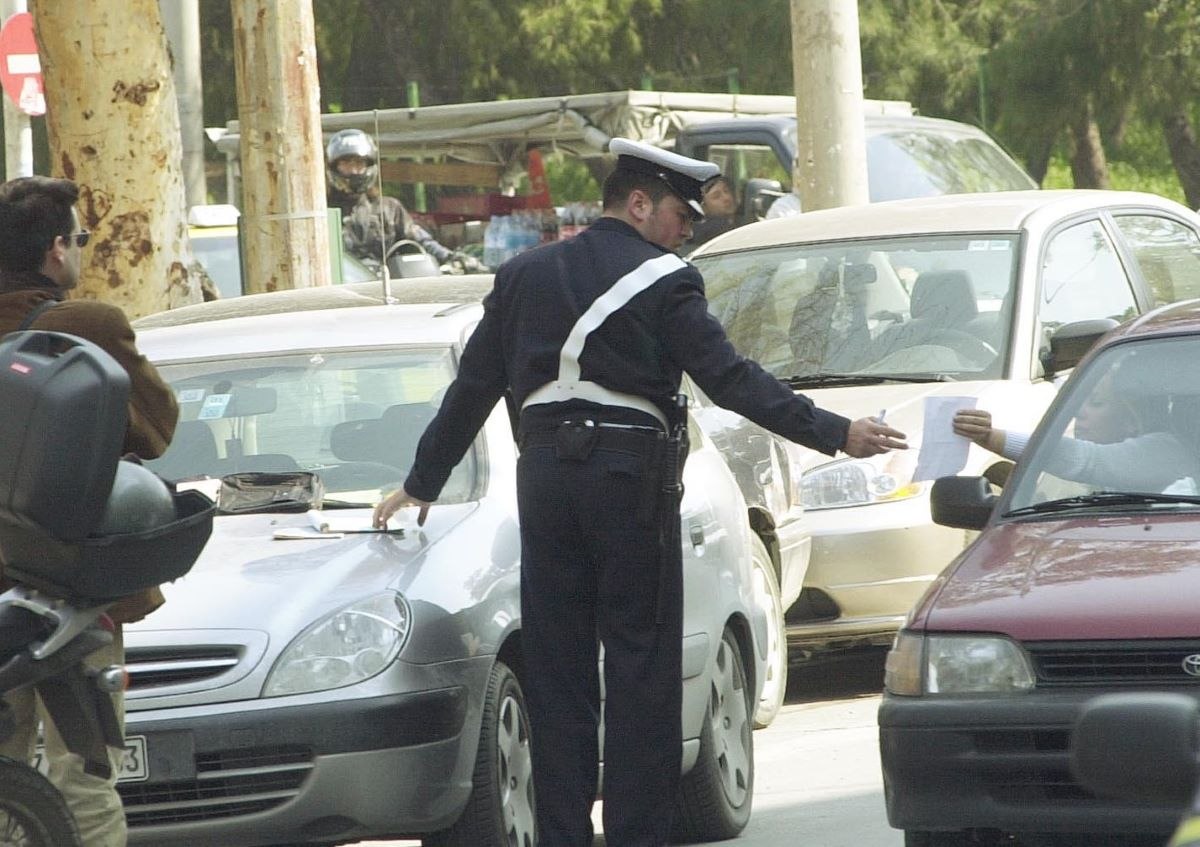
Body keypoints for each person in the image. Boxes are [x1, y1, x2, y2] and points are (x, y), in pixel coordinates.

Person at [372, 138, 906, 846]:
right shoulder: (666, 280)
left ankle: (564, 834)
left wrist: (420, 482)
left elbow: (472, 388)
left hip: (546, 483)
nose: (688, 230)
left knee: (559, 674)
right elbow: (731, 379)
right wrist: (838, 432)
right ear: (638, 204)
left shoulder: (522, 275)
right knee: (641, 671)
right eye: (682, 215)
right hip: (627, 478)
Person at [0, 176, 178, 847]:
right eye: (78, 238)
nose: (79, 250)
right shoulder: (87, 328)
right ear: (55, 250)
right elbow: (157, 430)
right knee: (86, 773)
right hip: (71, 587)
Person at [953, 370, 1198, 493]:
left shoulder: (1166, 451)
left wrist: (990, 437)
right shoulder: (1055, 479)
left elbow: (1086, 460)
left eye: (1097, 403)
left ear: (1133, 420)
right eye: (1078, 403)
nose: (1079, 413)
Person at [325, 128, 481, 272]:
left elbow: (420, 240)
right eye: (345, 163)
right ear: (334, 167)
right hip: (341, 291)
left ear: (369, 166)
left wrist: (451, 257)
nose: (353, 170)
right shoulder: (323, 213)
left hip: (389, 288)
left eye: (359, 163)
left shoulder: (389, 208)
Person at [679, 175, 736, 253]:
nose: (726, 198)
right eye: (716, 196)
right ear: (702, 207)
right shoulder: (717, 228)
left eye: (726, 191)